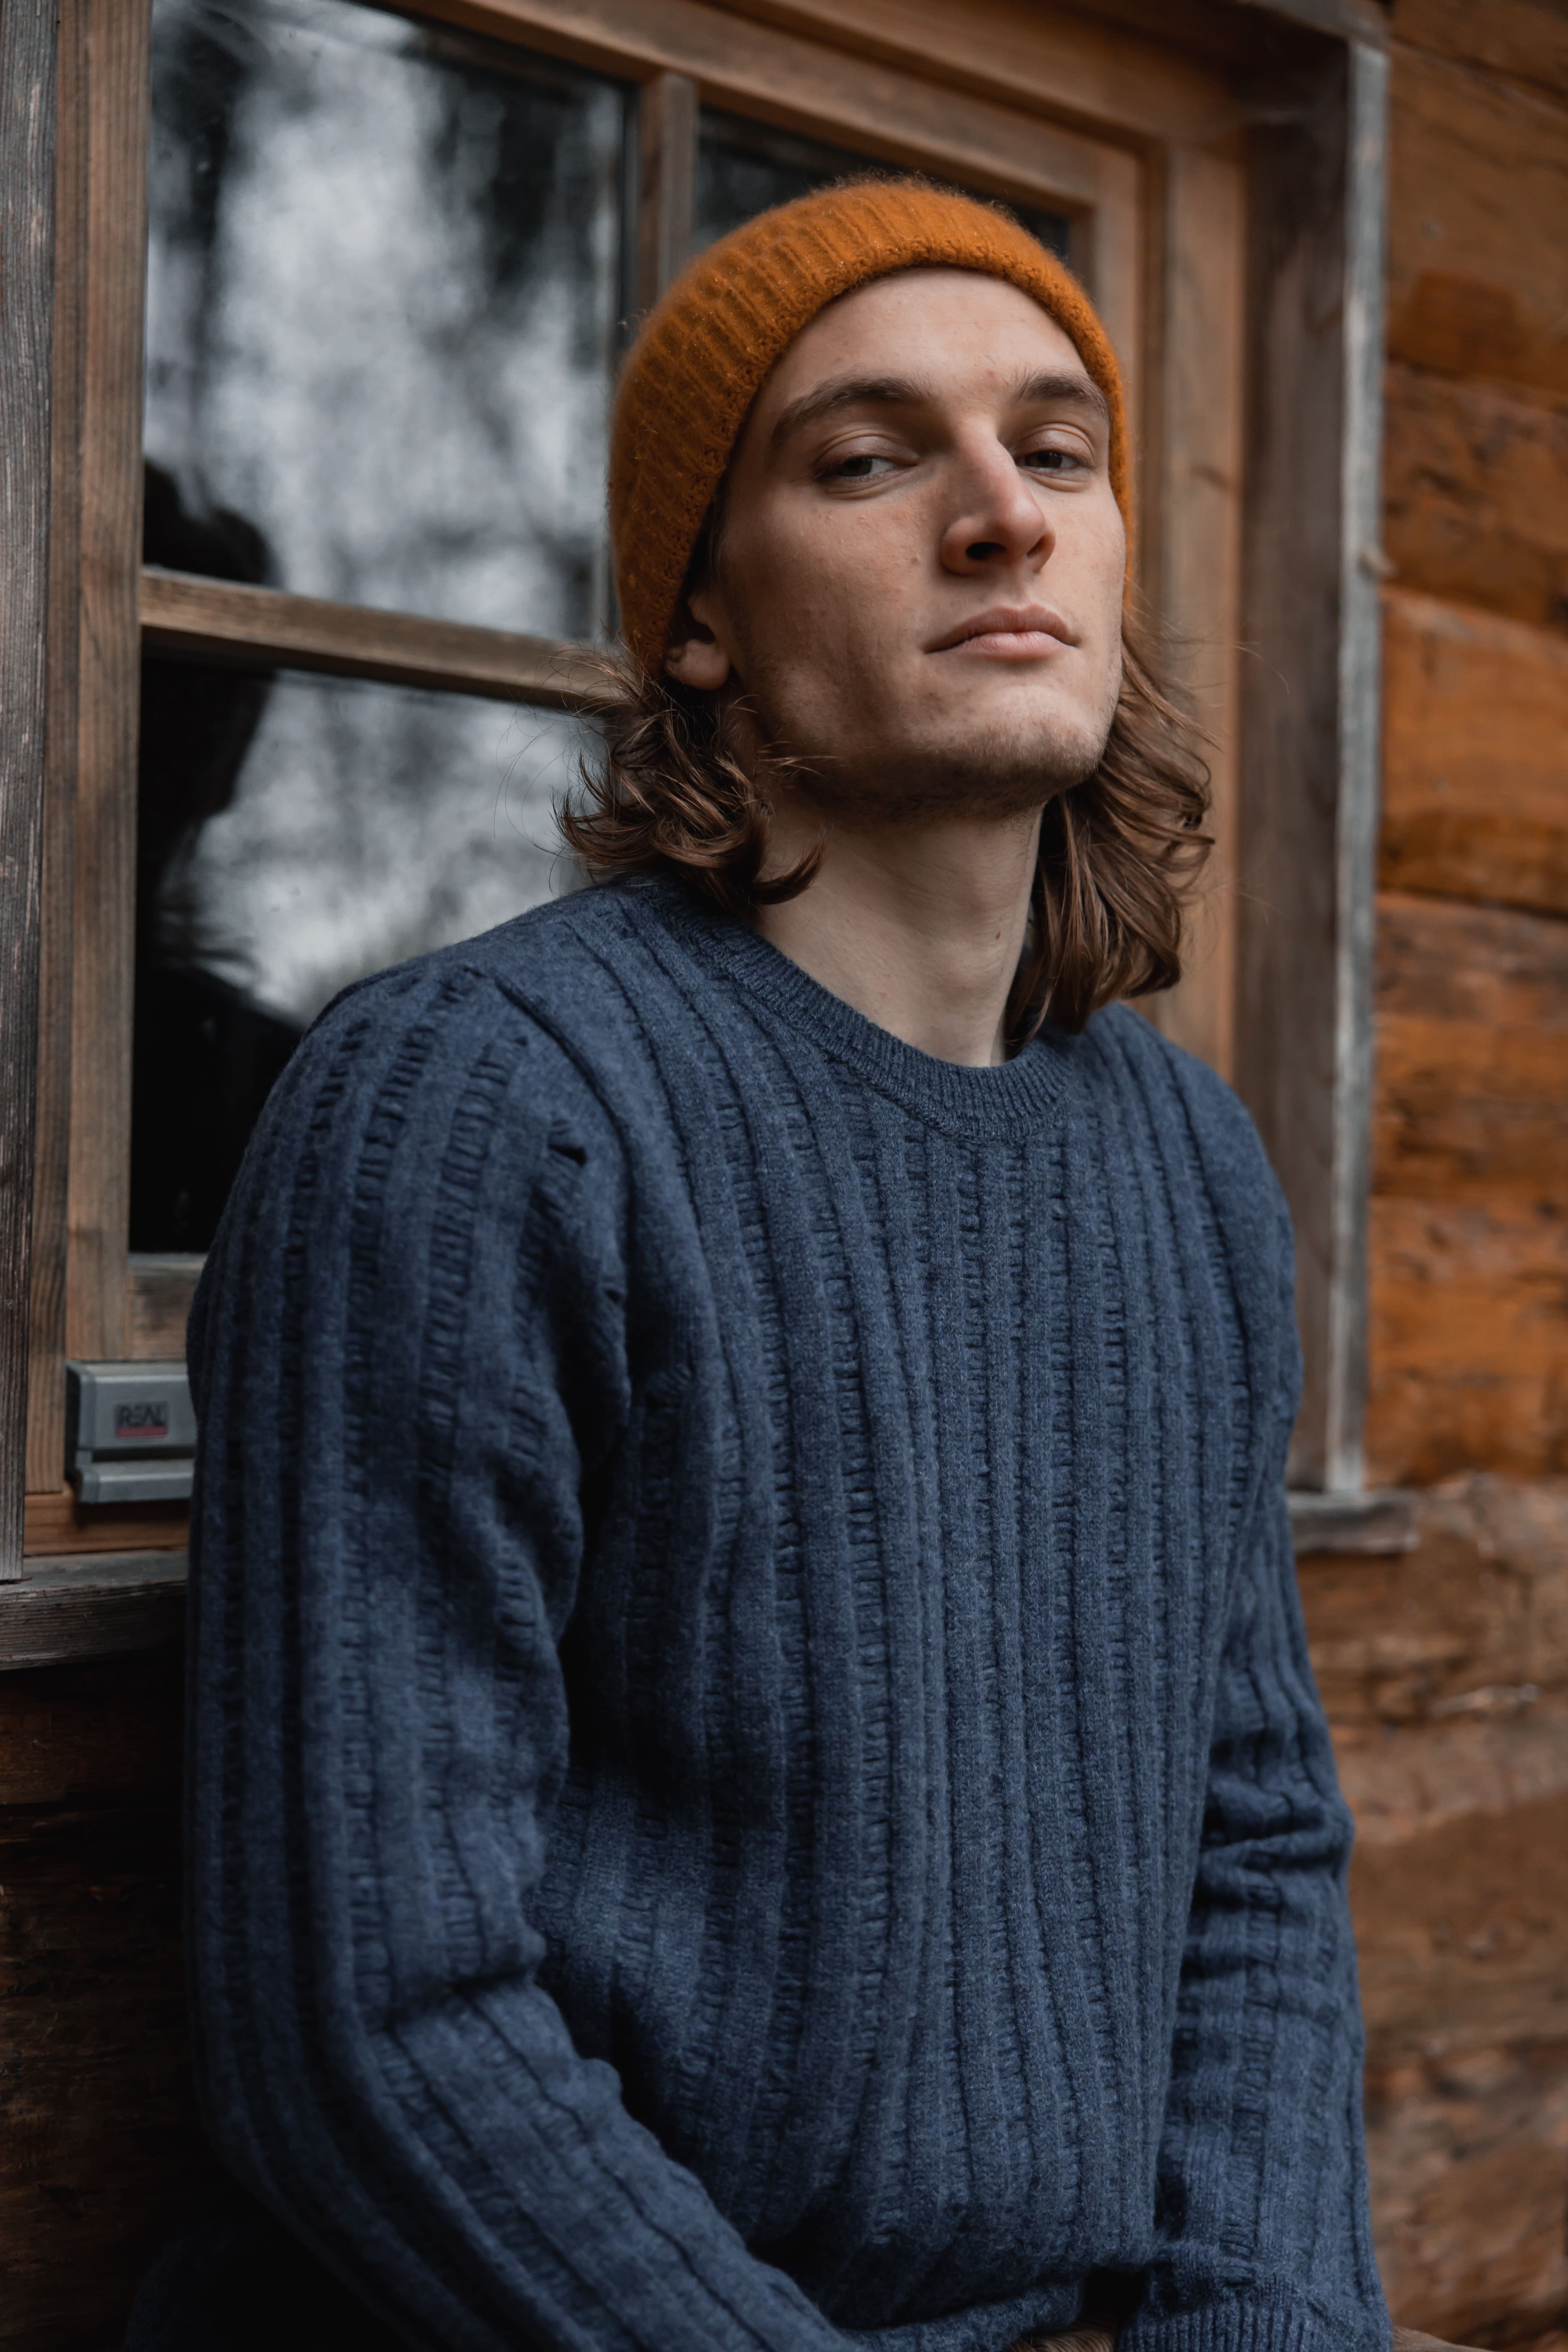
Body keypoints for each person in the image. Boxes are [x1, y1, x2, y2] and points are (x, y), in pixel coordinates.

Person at [128, 180, 1390, 2352]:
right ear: (703, 613)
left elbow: (1248, 1848)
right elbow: (374, 2019)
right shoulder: (477, 1103)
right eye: (872, 456)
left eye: (1056, 450)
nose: (1000, 513)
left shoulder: (1182, 1157)